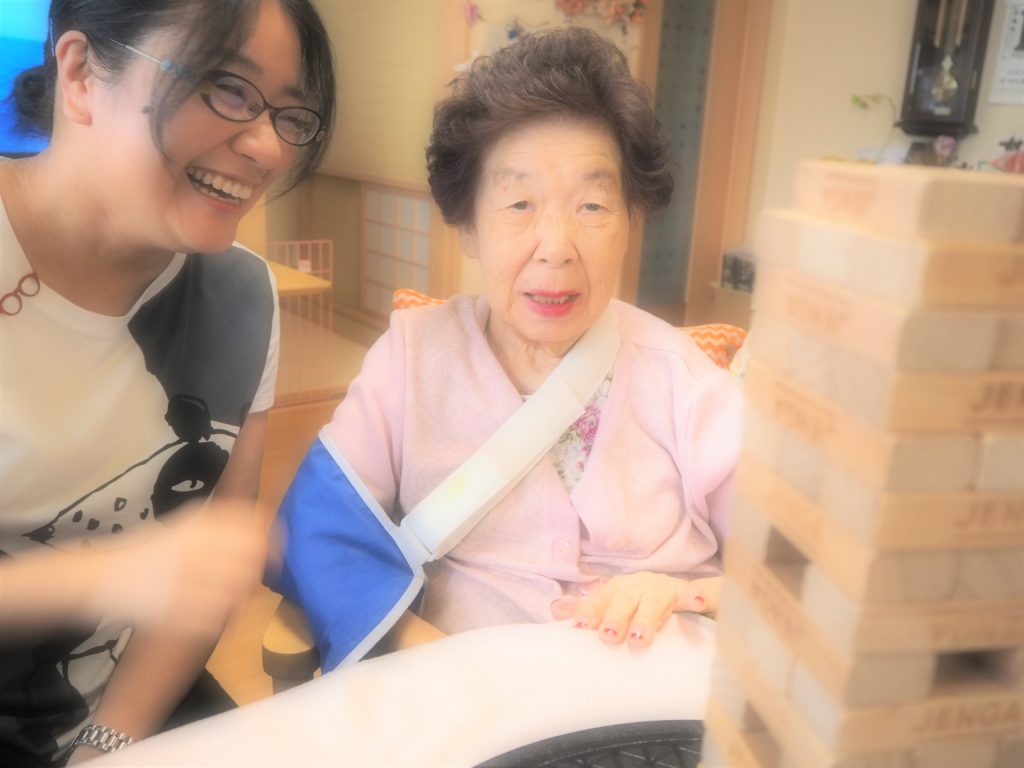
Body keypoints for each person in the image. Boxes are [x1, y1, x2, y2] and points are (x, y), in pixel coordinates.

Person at [272, 26, 741, 660]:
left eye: (594, 206)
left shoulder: (686, 382)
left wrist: (688, 593)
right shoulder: (412, 358)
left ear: (631, 221)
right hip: (464, 696)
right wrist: (426, 661)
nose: (556, 247)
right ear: (467, 226)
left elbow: (795, 570)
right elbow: (319, 529)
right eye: (519, 203)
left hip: (659, 702)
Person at [0, 0, 335, 763]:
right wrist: (106, 576)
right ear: (80, 74)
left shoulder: (241, 296)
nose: (267, 147)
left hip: (132, 711)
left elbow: (202, 575)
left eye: (288, 114)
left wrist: (107, 745)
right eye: (226, 86)